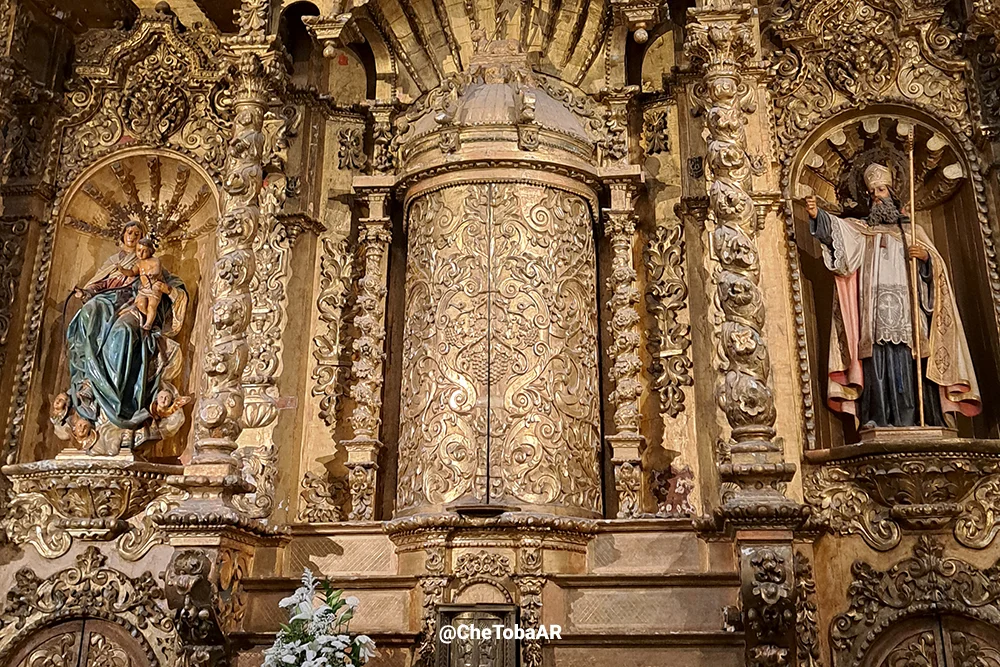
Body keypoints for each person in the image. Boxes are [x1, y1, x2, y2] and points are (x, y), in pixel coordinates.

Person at [805, 163, 980, 428]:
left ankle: (923, 419)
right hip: (874, 316)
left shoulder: (913, 233)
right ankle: (878, 418)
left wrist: (925, 258)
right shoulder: (863, 232)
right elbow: (838, 234)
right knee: (877, 364)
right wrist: (818, 215)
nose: (877, 196)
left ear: (893, 193)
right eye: (872, 192)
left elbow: (938, 274)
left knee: (912, 363)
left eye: (881, 189)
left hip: (910, 316)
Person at [65, 221, 187, 433]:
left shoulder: (151, 264)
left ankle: (117, 397)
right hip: (108, 303)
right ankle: (89, 383)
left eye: (137, 233)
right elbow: (101, 284)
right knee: (88, 311)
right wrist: (86, 293)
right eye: (129, 232)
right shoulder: (113, 262)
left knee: (122, 332)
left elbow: (173, 287)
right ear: (122, 235)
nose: (132, 235)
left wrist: (168, 290)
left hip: (134, 306)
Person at [118, 238, 170, 330]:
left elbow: (157, 270)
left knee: (151, 306)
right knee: (141, 304)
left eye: (144, 251)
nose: (141, 253)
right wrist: (123, 270)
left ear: (150, 251)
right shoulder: (138, 263)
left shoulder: (155, 260)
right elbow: (132, 272)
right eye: (138, 250)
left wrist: (152, 273)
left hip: (154, 286)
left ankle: (149, 323)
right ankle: (149, 318)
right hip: (144, 288)